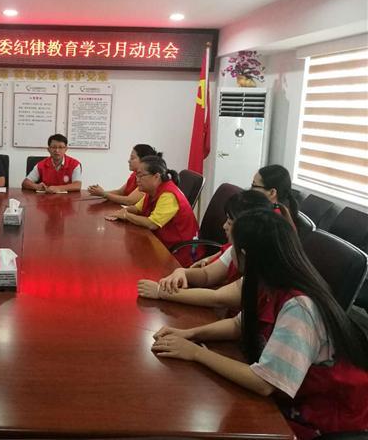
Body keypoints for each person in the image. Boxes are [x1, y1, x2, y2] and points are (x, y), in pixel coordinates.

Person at [151, 210, 368, 439]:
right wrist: (191, 334)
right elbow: (240, 325)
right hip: (293, 397)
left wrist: (196, 353)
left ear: (244, 254)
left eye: (233, 247)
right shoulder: (271, 282)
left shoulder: (299, 308)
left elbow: (265, 382)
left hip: (327, 419)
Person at [137, 190, 274, 310]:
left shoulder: (265, 265)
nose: (224, 226)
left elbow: (217, 298)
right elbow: (207, 275)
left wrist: (161, 292)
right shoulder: (238, 247)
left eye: (229, 222)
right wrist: (183, 272)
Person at [106, 155, 198, 266]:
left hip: (178, 254)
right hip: (159, 243)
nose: (137, 180)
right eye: (136, 175)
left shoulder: (169, 195)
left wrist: (126, 215)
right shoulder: (152, 191)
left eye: (141, 176)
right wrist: (119, 212)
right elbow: (137, 208)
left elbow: (152, 224)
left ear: (156, 177)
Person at [88, 144, 160, 205]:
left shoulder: (147, 179)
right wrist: (99, 193)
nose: (129, 161)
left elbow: (129, 201)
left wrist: (103, 194)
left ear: (143, 161)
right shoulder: (134, 175)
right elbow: (120, 192)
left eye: (132, 158)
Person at [251, 164, 299, 229]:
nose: (251, 189)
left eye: (254, 185)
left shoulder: (271, 220)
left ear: (272, 193)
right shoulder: (278, 208)